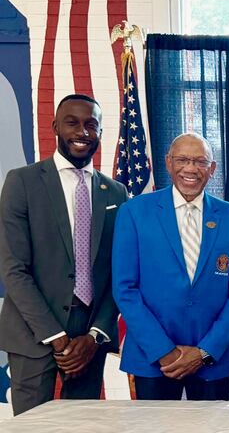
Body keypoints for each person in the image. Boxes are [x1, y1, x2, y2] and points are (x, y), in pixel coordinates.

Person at [0, 94, 128, 415]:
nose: (82, 132)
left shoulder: (116, 192)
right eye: (72, 123)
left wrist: (94, 336)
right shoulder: (22, 182)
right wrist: (57, 337)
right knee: (33, 427)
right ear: (55, 126)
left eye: (91, 125)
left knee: (81, 424)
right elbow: (13, 268)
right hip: (33, 332)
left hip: (89, 340)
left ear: (100, 132)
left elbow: (119, 272)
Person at [112, 132, 229, 400]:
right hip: (153, 359)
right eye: (182, 160)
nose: (190, 168)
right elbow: (125, 289)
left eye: (200, 162)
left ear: (212, 168)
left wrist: (204, 352)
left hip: (212, 360)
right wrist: (163, 351)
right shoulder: (134, 212)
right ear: (168, 162)